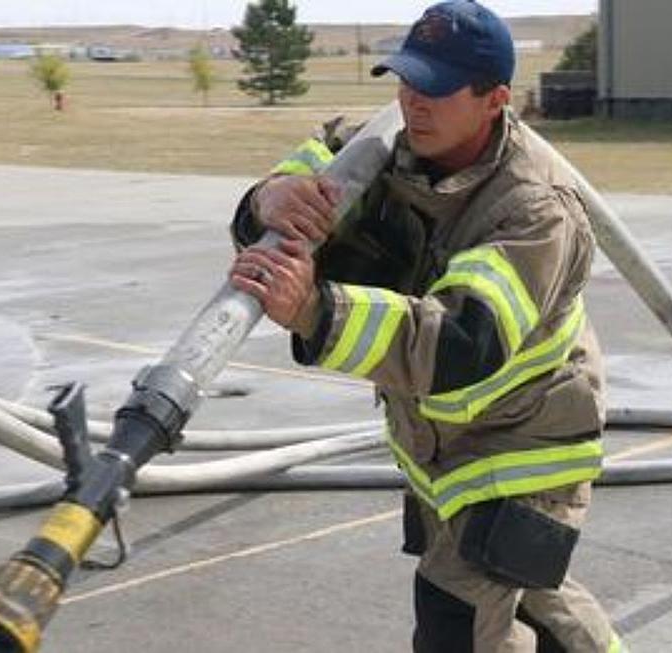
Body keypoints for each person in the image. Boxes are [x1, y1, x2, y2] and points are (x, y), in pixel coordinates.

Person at [229, 2, 624, 651]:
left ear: (494, 99)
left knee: (456, 617)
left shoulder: (534, 209)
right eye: (407, 78)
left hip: (522, 452)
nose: (414, 100)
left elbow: (463, 341)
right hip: (444, 447)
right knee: (535, 601)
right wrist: (268, 197)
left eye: (436, 88)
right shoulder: (379, 148)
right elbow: (301, 172)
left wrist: (315, 310)